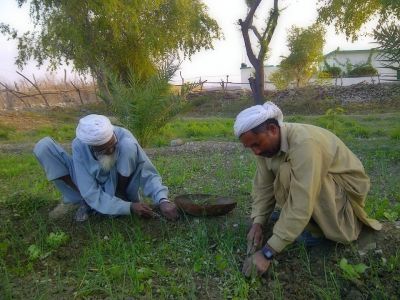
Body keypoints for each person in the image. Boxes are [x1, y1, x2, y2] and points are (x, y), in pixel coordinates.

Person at [234, 102, 381, 277]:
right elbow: (263, 187)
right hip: (316, 191)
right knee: (284, 174)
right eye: (250, 147)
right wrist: (258, 223)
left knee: (287, 173)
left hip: (344, 197)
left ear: (273, 129)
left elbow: (301, 201)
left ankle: (318, 230)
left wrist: (267, 252)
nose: (255, 152)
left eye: (256, 144)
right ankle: (300, 224)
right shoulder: (265, 148)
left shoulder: (304, 143)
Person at [34, 114, 178, 222]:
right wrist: (129, 208)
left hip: (117, 183)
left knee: (127, 146)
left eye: (112, 145)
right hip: (88, 186)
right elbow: (89, 187)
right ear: (91, 146)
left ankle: (119, 196)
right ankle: (86, 201)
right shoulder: (79, 145)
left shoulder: (123, 136)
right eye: (103, 150)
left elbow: (147, 172)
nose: (110, 151)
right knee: (44, 147)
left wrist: (162, 200)